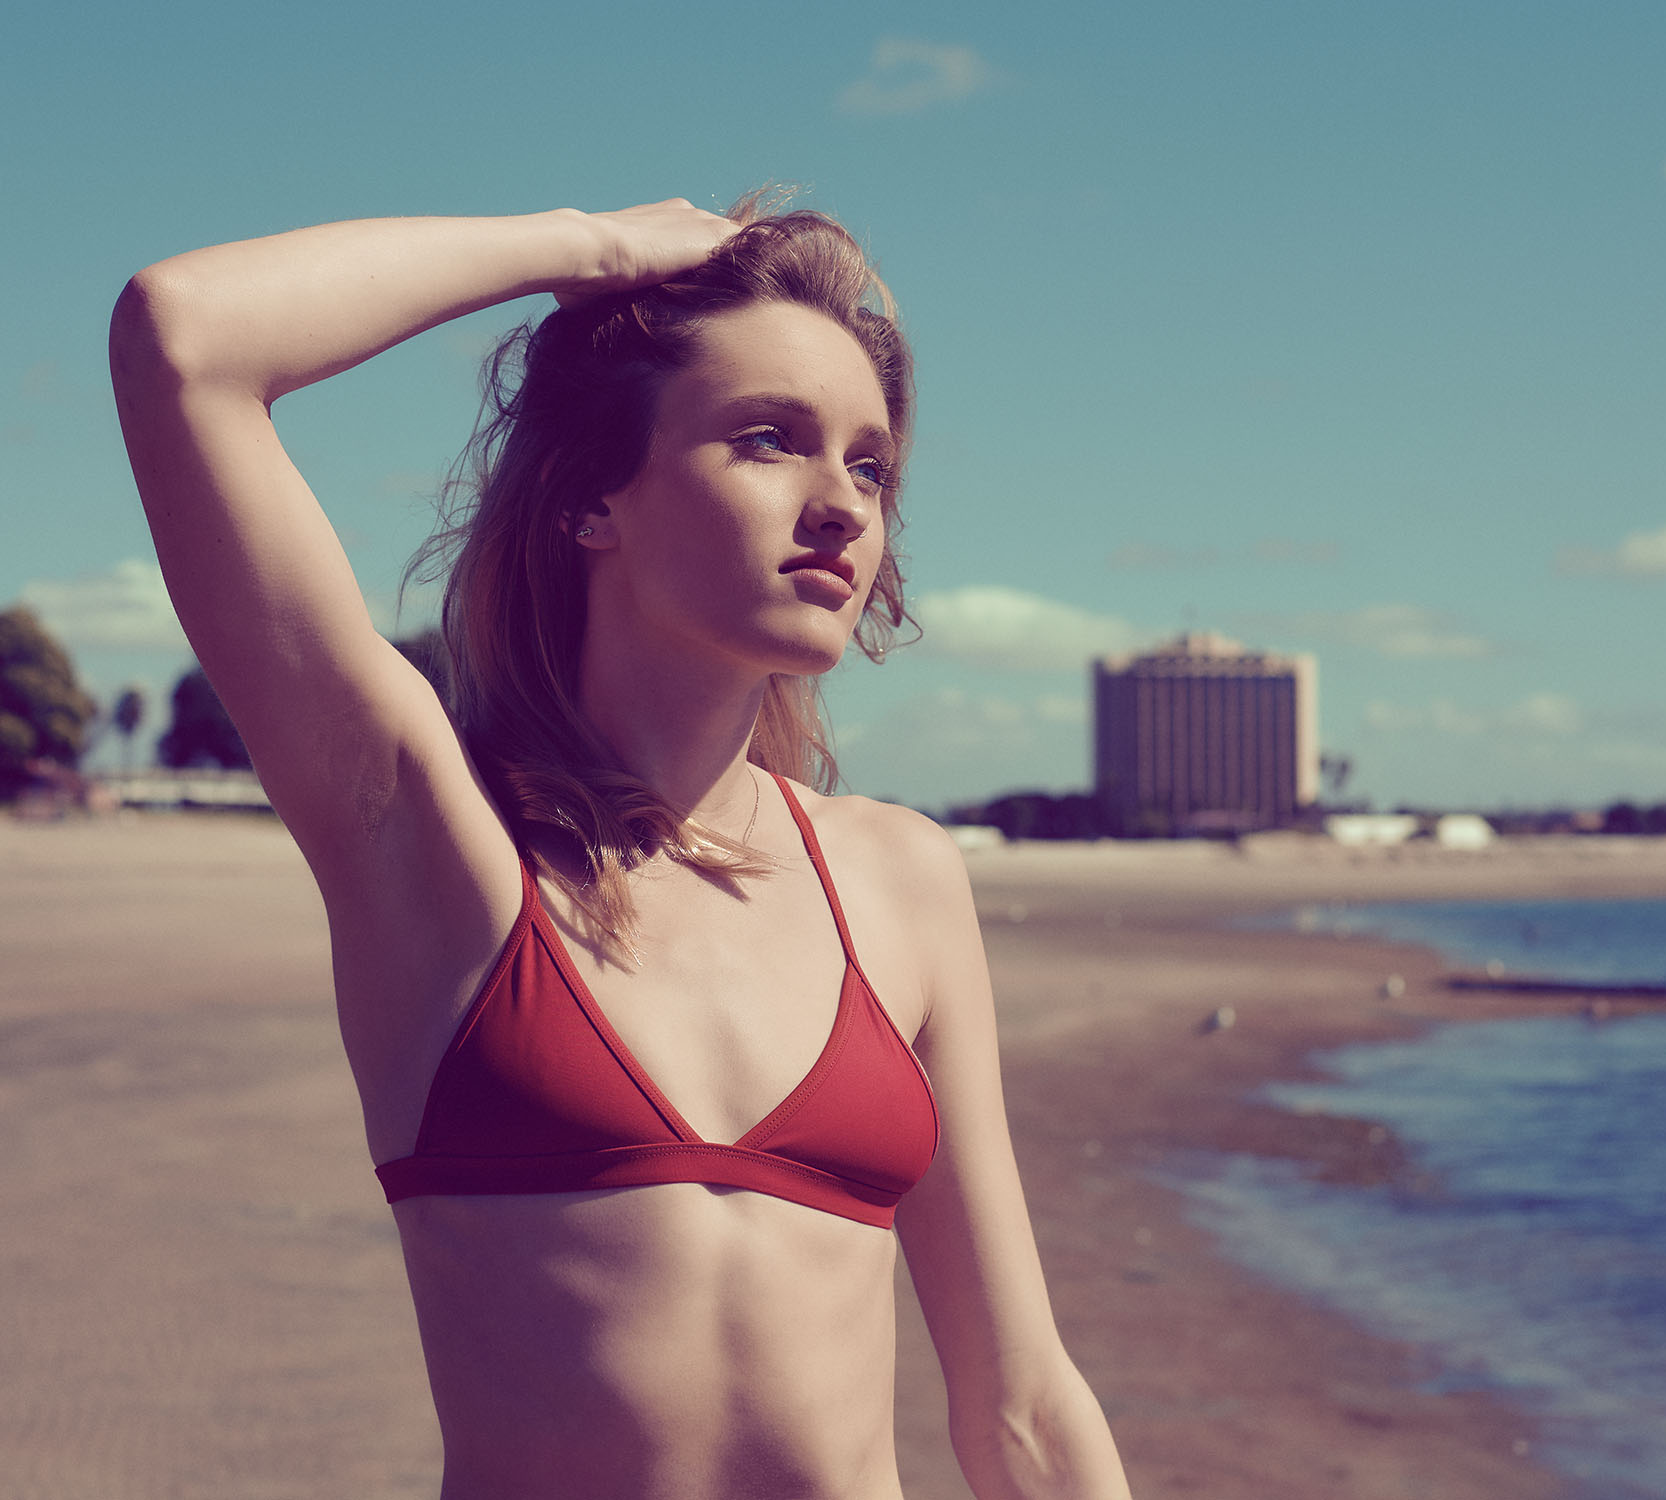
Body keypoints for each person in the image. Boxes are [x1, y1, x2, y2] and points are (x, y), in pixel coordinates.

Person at [109, 193, 1132, 1500]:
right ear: (594, 497)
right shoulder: (434, 840)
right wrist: (586, 250)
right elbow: (183, 339)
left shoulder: (900, 880)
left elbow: (1024, 1402)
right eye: (770, 440)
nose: (842, 506)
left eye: (869, 465)